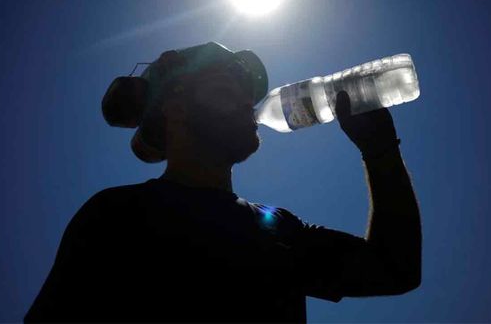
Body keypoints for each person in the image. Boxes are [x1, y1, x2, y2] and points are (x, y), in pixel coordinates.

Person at [24, 42, 422, 323]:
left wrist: (380, 151)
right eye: (223, 91)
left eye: (244, 96)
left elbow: (394, 270)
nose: (243, 107)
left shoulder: (279, 229)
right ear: (175, 108)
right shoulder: (117, 215)